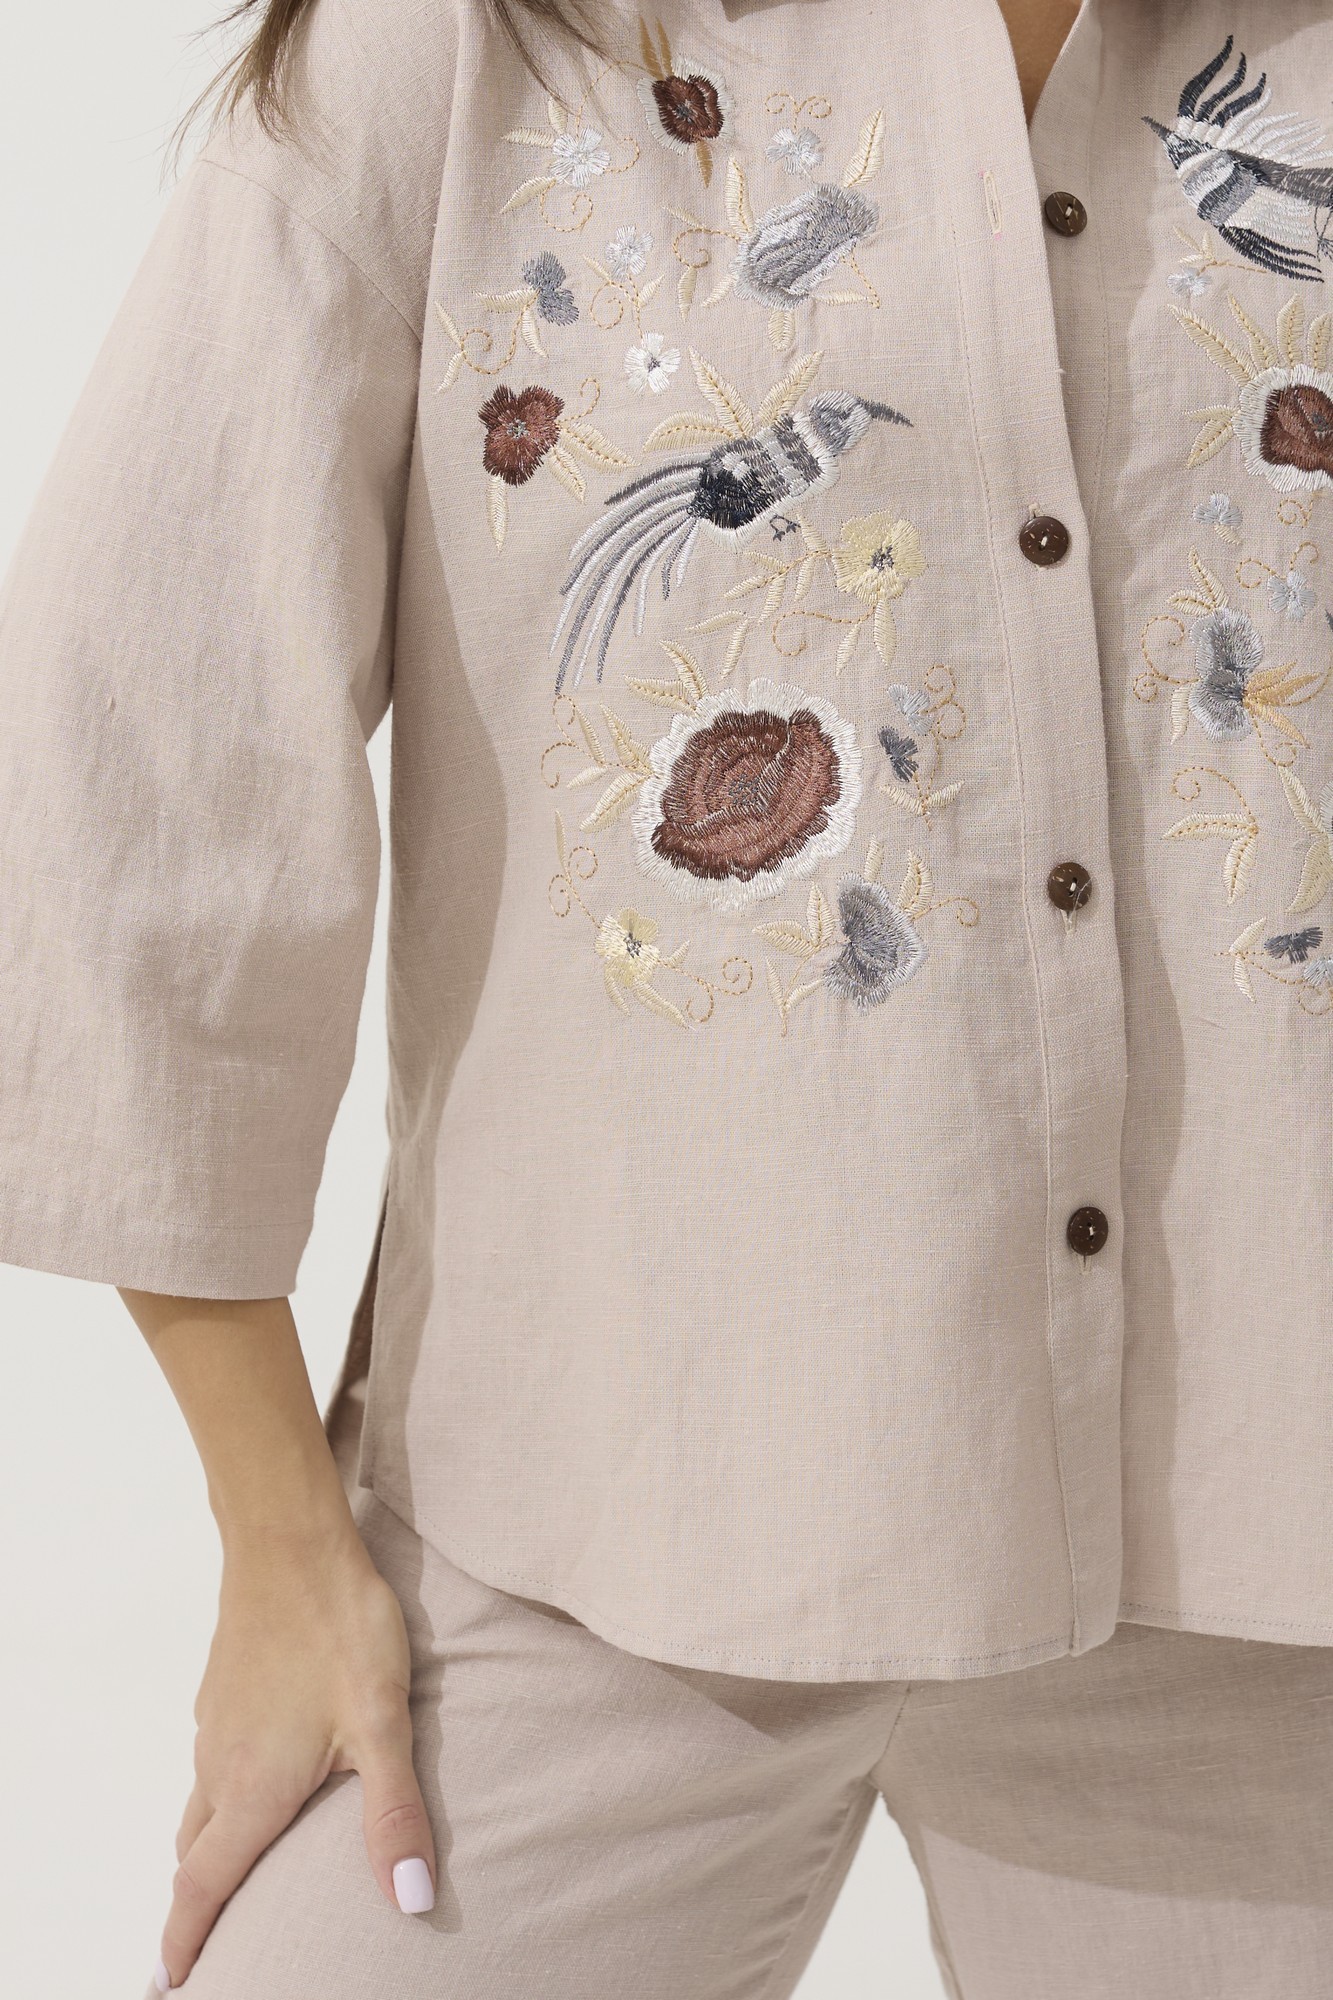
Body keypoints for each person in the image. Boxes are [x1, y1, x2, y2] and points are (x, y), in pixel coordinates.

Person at [2, 0, 1332, 1992]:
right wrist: (279, 1547)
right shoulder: (465, 51)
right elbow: (141, 755)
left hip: (1261, 1573)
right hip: (602, 1529)